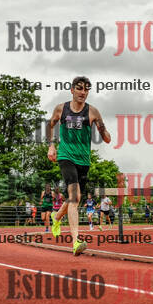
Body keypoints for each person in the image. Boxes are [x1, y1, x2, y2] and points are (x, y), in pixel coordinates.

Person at [47, 76, 111, 255]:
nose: (83, 92)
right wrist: (51, 145)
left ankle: (56, 217)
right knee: (75, 197)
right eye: (80, 88)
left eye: (86, 89)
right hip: (65, 156)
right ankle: (76, 242)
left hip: (84, 160)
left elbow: (105, 135)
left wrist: (104, 132)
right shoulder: (61, 108)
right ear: (72, 90)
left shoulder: (93, 111)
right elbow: (50, 125)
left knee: (75, 198)